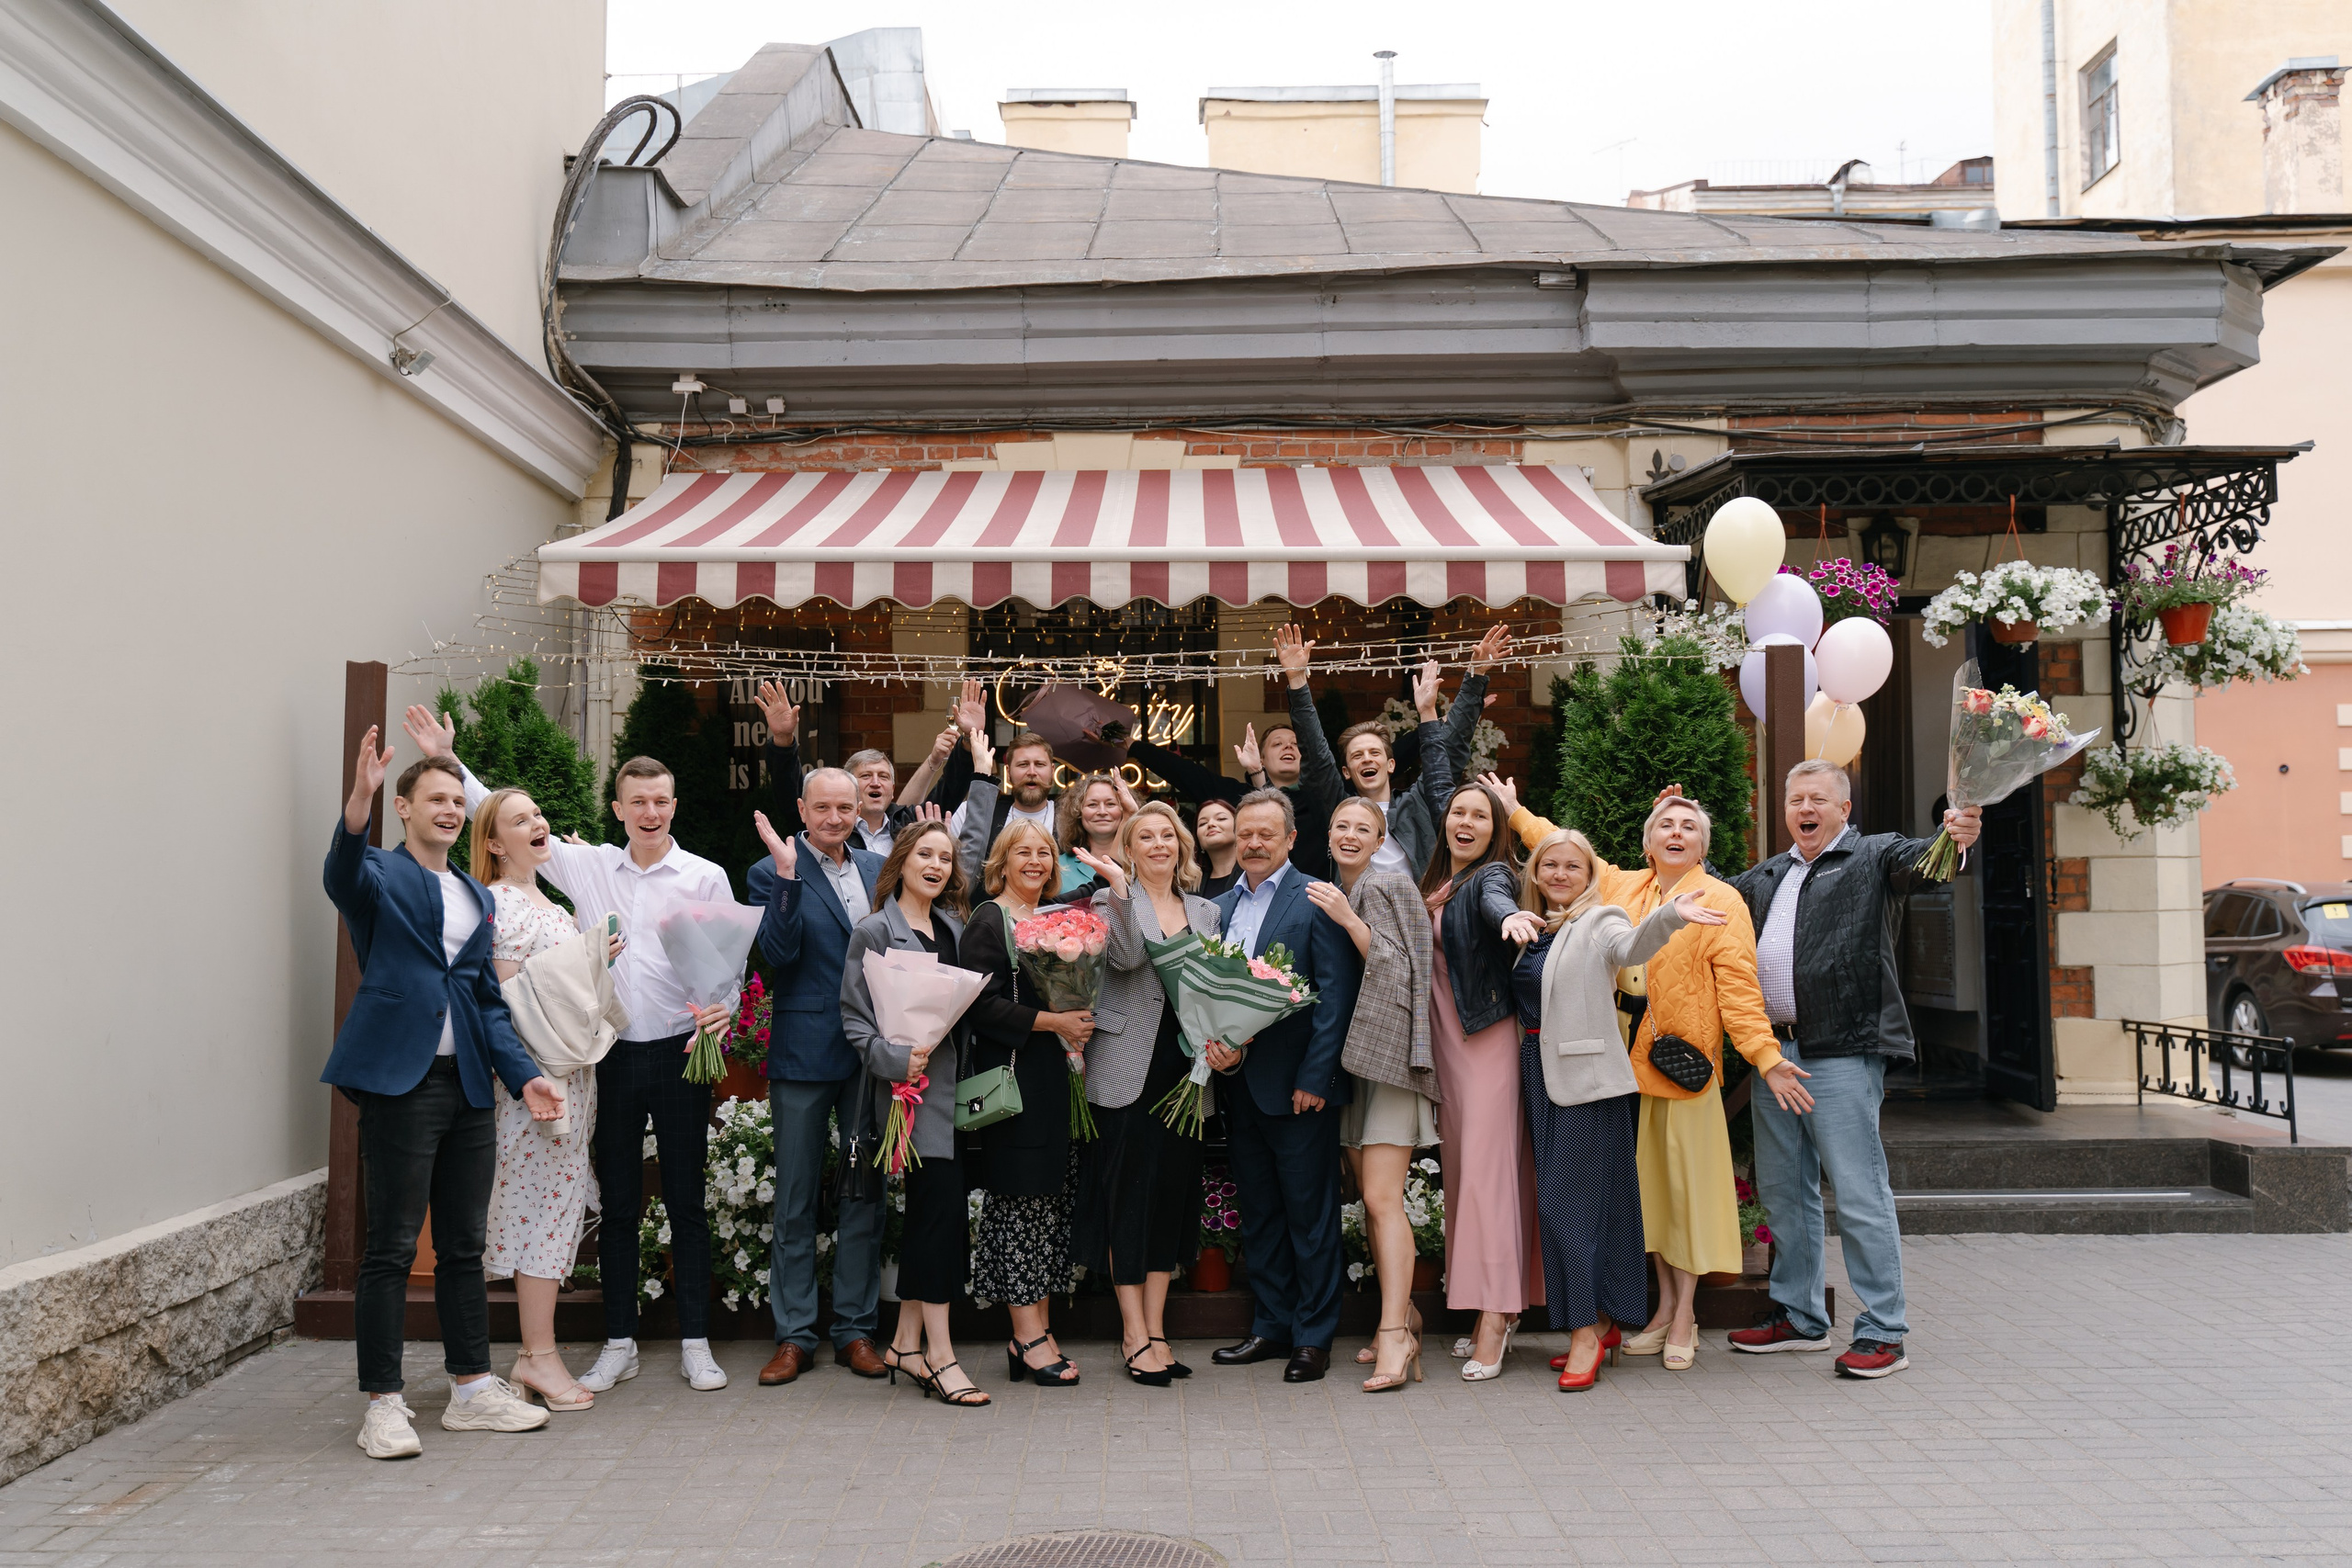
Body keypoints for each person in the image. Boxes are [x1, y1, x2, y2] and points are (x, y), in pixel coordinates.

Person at [402, 708, 738, 1395]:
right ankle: (619, 1342)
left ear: (675, 805)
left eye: (661, 800)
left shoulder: (706, 875)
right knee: (616, 1203)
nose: (650, 811)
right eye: (637, 800)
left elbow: (725, 968)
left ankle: (697, 1343)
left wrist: (722, 1008)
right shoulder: (586, 866)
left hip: (681, 1051)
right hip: (607, 1058)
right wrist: (450, 761)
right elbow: (505, 824)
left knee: (687, 1200)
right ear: (618, 807)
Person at [1496, 778, 1800, 1372]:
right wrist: (1514, 811)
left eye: (1690, 826)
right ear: (1647, 843)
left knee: (1686, 1195)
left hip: (1686, 1072)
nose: (1678, 832)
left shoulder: (1721, 899)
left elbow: (1739, 990)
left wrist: (1764, 1056)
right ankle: (1660, 1307)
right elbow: (1563, 853)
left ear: (1704, 844)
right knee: (1649, 1201)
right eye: (1667, 824)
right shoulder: (1623, 886)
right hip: (1622, 1074)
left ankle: (1684, 1310)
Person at [322, 728, 560, 1460]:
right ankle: (384, 1405)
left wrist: (524, 1074)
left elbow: (488, 1001)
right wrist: (357, 796)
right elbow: (339, 873)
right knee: (391, 1248)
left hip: (468, 1090)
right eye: (437, 798)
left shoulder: (472, 895)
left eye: (459, 799)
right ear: (404, 808)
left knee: (463, 1246)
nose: (452, 809)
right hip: (402, 1082)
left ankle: (470, 1390)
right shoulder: (377, 876)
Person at [1725, 761, 1982, 1381]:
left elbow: (1929, 861)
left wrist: (1957, 835)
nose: (1804, 807)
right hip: (1774, 1056)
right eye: (1794, 798)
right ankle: (1800, 1316)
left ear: (1843, 808)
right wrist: (1674, 835)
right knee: (1785, 1192)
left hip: (1840, 1052)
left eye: (1817, 798)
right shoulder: (1767, 875)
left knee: (1859, 1192)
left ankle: (1884, 1329)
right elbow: (1705, 893)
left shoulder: (1871, 856)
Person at [1512, 827, 1718, 1392]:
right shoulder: (1536, 928)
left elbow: (1630, 948)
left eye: (1572, 867)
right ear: (1535, 873)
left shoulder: (1601, 919)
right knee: (1568, 1207)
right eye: (1549, 864)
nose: (1559, 874)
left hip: (1586, 1086)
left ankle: (1584, 1335)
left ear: (1590, 875)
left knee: (1572, 1208)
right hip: (1539, 1078)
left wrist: (1670, 915)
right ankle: (1600, 1320)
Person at [474, 786, 626, 1412]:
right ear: (492, 842)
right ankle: (538, 1354)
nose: (538, 822)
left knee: (557, 1212)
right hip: (536, 1086)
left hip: (572, 1080)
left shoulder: (554, 903)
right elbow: (508, 999)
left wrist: (595, 958)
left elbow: (561, 987)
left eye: (539, 813)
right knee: (540, 1212)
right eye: (519, 819)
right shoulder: (499, 903)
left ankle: (535, 1352)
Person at [1205, 789, 1363, 1383]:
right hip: (1239, 1085)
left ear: (1291, 839)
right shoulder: (1219, 907)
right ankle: (1270, 1326)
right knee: (1262, 1213)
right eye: (1245, 833)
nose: (1253, 842)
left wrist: (1317, 1077)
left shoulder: (1316, 899)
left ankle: (1314, 1336)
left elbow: (1334, 994)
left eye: (1266, 834)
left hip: (1299, 1091)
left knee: (1310, 1215)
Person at [745, 762, 890, 1389]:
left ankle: (856, 1328)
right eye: (822, 807)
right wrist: (784, 879)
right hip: (805, 1059)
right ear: (801, 810)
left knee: (862, 1191)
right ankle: (795, 1334)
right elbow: (776, 955)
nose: (834, 818)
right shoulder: (770, 869)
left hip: (868, 1063)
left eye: (845, 808)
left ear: (859, 811)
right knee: (797, 1198)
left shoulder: (875, 870)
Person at [838, 820, 990, 1406]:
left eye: (945, 858)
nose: (936, 865)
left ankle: (904, 1343)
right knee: (939, 1217)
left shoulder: (955, 928)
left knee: (940, 1217)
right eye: (924, 854)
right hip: (910, 1094)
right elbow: (854, 1017)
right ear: (900, 860)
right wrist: (895, 1059)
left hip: (958, 1094)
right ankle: (942, 1357)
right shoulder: (874, 930)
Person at [1076, 802, 1222, 1386]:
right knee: (1128, 1201)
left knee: (1170, 1200)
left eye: (1168, 835)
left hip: (1186, 1075)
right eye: (1146, 837)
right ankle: (1132, 1334)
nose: (1159, 844)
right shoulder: (1105, 903)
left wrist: (1226, 1040)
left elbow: (1216, 986)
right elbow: (1129, 956)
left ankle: (1158, 1329)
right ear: (1130, 850)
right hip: (1124, 1071)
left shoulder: (1208, 912)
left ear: (1182, 847)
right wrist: (1126, 890)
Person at [1306, 795, 1438, 1393]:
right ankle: (1405, 1313)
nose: (1351, 833)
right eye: (1342, 825)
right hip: (1350, 1065)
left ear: (1381, 836)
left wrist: (1350, 921)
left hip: (1388, 1065)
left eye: (1364, 827)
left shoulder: (1391, 884)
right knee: (1368, 1194)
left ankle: (1395, 1335)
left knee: (1383, 1198)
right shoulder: (1329, 889)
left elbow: (1412, 970)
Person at [959, 820, 1097, 1385]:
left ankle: (1036, 1329)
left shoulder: (1058, 918)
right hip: (1013, 1081)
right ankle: (1027, 1335)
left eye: (1045, 852)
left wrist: (1075, 1018)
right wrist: (1053, 1021)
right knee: (1018, 1202)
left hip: (1056, 1076)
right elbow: (979, 1004)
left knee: (1045, 1203)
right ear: (1002, 862)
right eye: (1024, 852)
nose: (1036, 860)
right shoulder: (990, 919)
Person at [1421, 778, 1542, 1382]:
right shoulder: (1441, 882)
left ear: (1497, 831)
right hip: (1449, 1052)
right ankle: (1491, 1309)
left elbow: (1498, 902)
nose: (1465, 821)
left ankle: (1497, 1315)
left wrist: (1515, 915)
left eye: (1480, 815)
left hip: (1486, 1046)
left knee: (1489, 1182)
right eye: (1457, 812)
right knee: (1469, 1176)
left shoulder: (1489, 879)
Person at [1276, 624, 1505, 881]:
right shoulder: (1339, 808)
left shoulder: (1416, 803)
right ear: (1346, 772)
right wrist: (1297, 681)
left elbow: (1447, 753)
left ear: (1391, 764)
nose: (1366, 759)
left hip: (1417, 915)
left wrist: (1476, 675)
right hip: (1354, 917)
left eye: (1374, 752)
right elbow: (1315, 755)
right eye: (1357, 756)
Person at [757, 678, 978, 856]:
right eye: (865, 776)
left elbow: (952, 788)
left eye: (882, 776)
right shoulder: (833, 824)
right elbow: (789, 791)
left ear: (892, 788)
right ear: (850, 789)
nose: (875, 782)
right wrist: (784, 738)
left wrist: (968, 739)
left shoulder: (910, 822)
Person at [950, 726, 1059, 886]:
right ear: (1008, 773)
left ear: (1052, 771)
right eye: (1023, 764)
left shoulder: (1069, 818)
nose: (1031, 772)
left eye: (1039, 764)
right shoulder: (972, 812)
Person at [1051, 770, 1135, 904]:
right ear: (1077, 812)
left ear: (1124, 810)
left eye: (1110, 804)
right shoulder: (1056, 866)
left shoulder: (1141, 863)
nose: (1102, 811)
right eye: (1092, 805)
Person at [1192, 797, 1242, 898]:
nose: (1210, 824)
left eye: (1221, 819)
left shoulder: (1254, 875)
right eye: (1202, 823)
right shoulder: (1190, 887)